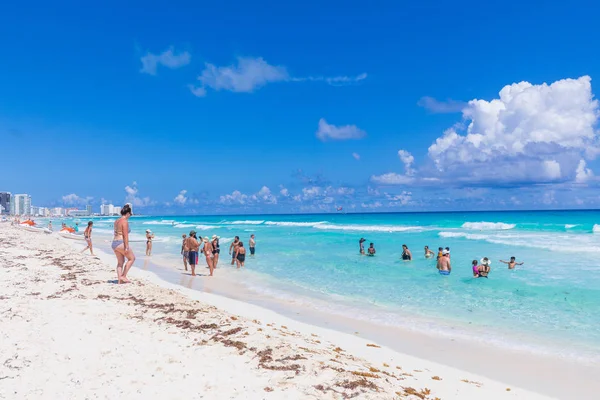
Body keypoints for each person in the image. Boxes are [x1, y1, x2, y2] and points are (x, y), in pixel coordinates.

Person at [111, 204, 135, 284]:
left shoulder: (116, 221)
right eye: (130, 214)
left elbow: (115, 233)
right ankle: (123, 276)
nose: (130, 216)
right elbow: (125, 235)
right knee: (132, 259)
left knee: (120, 262)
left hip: (114, 243)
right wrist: (126, 247)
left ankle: (119, 280)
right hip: (121, 242)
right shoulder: (124, 221)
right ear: (127, 213)